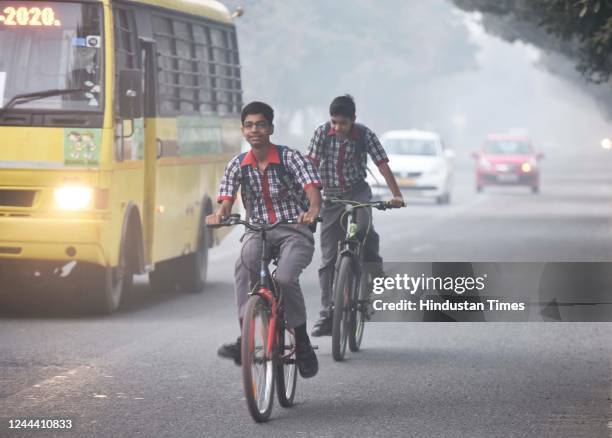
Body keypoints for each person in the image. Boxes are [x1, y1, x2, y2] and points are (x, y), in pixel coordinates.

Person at [206, 101, 322, 378]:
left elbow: (312, 188)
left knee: (283, 279)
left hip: (294, 229)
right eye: (249, 125)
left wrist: (313, 210)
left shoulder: (290, 158)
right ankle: (245, 335)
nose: (254, 130)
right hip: (257, 230)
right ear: (243, 130)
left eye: (260, 124)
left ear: (270, 128)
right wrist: (220, 213)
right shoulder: (238, 164)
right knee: (243, 266)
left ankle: (302, 341)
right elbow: (226, 197)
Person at [307, 94, 404, 337]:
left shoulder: (364, 134)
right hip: (329, 197)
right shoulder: (321, 134)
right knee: (328, 258)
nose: (338, 127)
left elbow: (382, 165)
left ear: (353, 120)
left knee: (364, 231)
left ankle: (372, 276)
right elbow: (310, 165)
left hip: (357, 192)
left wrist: (396, 195)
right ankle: (327, 313)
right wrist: (308, 202)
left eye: (343, 123)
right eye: (334, 122)